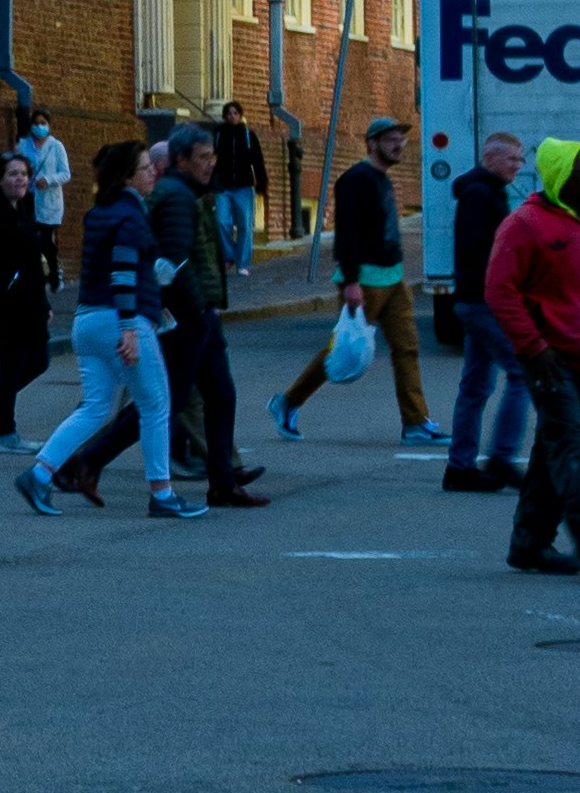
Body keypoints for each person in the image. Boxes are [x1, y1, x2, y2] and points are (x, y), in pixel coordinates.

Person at [51, 126, 264, 507]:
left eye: (212, 156)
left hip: (190, 313)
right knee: (166, 400)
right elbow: (173, 261)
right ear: (181, 161)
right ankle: (89, 464)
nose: (210, 163)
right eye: (203, 157)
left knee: (214, 394)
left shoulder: (186, 194)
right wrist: (191, 308)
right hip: (185, 315)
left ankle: (222, 480)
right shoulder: (176, 197)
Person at [16, 139, 205, 521]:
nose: (153, 171)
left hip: (88, 319)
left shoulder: (102, 211)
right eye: (144, 167)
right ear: (126, 177)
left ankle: (39, 473)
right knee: (155, 403)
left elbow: (116, 268)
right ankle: (162, 493)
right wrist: (130, 328)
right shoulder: (130, 215)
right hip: (121, 319)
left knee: (96, 406)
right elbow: (121, 271)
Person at [268, 114, 439, 446]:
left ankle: (416, 423)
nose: (398, 144)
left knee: (407, 349)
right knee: (342, 350)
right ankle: (287, 401)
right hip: (365, 279)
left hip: (394, 277)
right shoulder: (355, 179)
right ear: (372, 143)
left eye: (401, 138)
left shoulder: (383, 178)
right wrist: (350, 281)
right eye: (391, 139)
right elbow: (346, 234)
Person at [486, 137, 580, 576]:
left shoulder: (575, 222)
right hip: (549, 358)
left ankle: (529, 544)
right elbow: (498, 291)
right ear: (563, 175)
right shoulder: (525, 224)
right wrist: (533, 346)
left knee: (550, 452)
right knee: (571, 450)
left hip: (574, 355)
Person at [445, 130, 532, 496]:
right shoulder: (481, 196)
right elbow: (480, 253)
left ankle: (460, 468)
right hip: (483, 301)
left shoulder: (484, 192)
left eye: (520, 159)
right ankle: (500, 456)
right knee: (522, 371)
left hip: (474, 299)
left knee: (476, 385)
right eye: (512, 159)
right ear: (491, 158)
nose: (518, 166)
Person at [0, 149, 53, 444]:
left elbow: (33, 263)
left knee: (40, 360)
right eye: (13, 174)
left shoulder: (25, 209)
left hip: (31, 303)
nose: (20, 179)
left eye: (24, 174)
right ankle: (7, 433)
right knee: (12, 366)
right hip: (5, 305)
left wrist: (45, 303)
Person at [213, 99, 270, 277]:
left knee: (245, 225)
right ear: (224, 116)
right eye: (229, 113)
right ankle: (228, 255)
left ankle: (243, 263)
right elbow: (211, 161)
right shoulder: (218, 134)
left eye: (235, 113)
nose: (232, 116)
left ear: (240, 115)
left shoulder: (248, 135)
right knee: (222, 221)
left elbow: (257, 160)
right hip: (223, 186)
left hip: (244, 186)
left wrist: (261, 182)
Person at [21, 106, 72, 292]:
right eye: (36, 123)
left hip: (49, 200)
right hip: (28, 197)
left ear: (49, 125)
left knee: (45, 238)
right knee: (30, 237)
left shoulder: (56, 146)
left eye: (43, 123)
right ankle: (35, 273)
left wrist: (49, 180)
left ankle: (53, 270)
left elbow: (66, 173)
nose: (39, 126)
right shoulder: (24, 145)